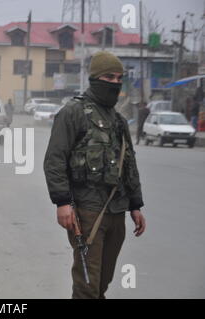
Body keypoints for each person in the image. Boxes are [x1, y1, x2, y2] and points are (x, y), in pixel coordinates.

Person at [43, 51, 146, 299]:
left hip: (116, 209)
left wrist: (135, 204)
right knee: (88, 283)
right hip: (87, 209)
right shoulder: (73, 112)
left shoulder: (119, 120)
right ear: (95, 78)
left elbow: (128, 163)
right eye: (108, 76)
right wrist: (62, 202)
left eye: (119, 78)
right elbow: (54, 160)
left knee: (102, 282)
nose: (114, 82)